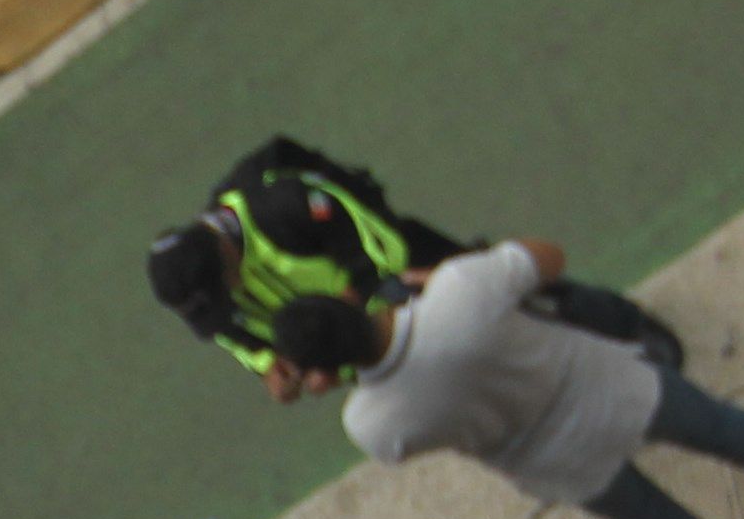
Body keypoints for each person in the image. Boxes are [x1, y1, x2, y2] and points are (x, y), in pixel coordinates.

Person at [271, 245, 744, 519]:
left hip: (553, 463)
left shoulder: (368, 424)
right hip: (608, 387)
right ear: (349, 304)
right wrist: (444, 277)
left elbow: (406, 434)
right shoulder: (459, 290)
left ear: (324, 374)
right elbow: (547, 257)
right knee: (721, 429)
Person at [148, 138, 679, 388]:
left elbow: (384, 245)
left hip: (402, 277)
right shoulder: (204, 297)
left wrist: (353, 307)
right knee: (471, 361)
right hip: (357, 335)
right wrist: (277, 368)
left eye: (221, 291)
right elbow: (236, 338)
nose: (222, 306)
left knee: (514, 294)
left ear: (221, 251)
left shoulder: (281, 204)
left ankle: (627, 325)